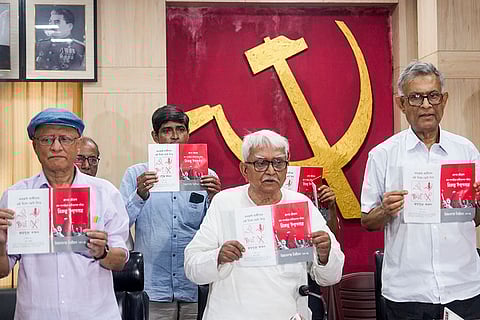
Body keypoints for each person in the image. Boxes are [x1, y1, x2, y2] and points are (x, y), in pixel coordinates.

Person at [360, 61, 480, 319]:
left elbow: (475, 219)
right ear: (401, 104)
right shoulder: (383, 155)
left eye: (433, 96)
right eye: (415, 97)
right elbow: (367, 221)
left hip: (464, 288)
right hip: (407, 293)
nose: (426, 105)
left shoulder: (466, 151)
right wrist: (384, 210)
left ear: (444, 100)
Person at [184, 129, 344, 320]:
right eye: (260, 163)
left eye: (278, 163)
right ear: (244, 169)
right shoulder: (224, 202)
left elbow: (330, 277)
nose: (271, 171)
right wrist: (217, 256)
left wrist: (325, 256)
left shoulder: (300, 203)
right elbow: (192, 267)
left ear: (286, 167)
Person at [0, 108, 129, 320]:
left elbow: (120, 260)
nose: (56, 147)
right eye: (47, 139)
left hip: (95, 314)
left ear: (77, 145)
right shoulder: (17, 196)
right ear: (35, 146)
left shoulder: (105, 193)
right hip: (36, 314)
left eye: (65, 139)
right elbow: (3, 271)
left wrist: (102, 252)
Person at [119, 105, 222, 320]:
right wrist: (139, 195)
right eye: (166, 130)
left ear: (188, 134)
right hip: (154, 287)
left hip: (194, 284)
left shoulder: (206, 175)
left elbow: (216, 231)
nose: (174, 136)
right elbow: (119, 225)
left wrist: (215, 199)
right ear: (155, 136)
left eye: (180, 129)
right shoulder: (137, 174)